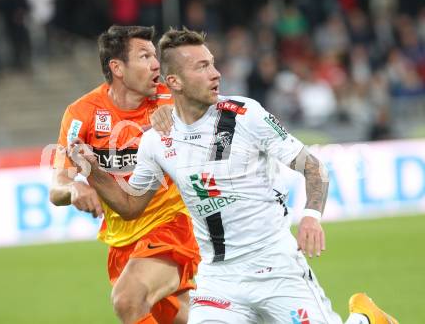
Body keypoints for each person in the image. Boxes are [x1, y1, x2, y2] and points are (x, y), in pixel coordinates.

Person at [71, 28, 399, 324]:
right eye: (201, 67)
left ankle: (366, 319)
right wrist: (92, 171)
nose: (216, 74)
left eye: (212, 64)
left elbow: (312, 167)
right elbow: (129, 206)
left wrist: (311, 217)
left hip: (276, 267)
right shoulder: (157, 140)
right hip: (218, 280)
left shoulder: (247, 115)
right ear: (174, 82)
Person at [49, 25, 201, 324]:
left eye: (154, 56)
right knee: (188, 319)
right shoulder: (83, 114)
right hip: (122, 241)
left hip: (174, 225)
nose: (156, 64)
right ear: (117, 68)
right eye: (144, 56)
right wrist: (76, 188)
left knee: (127, 299)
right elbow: (57, 187)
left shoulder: (172, 102)